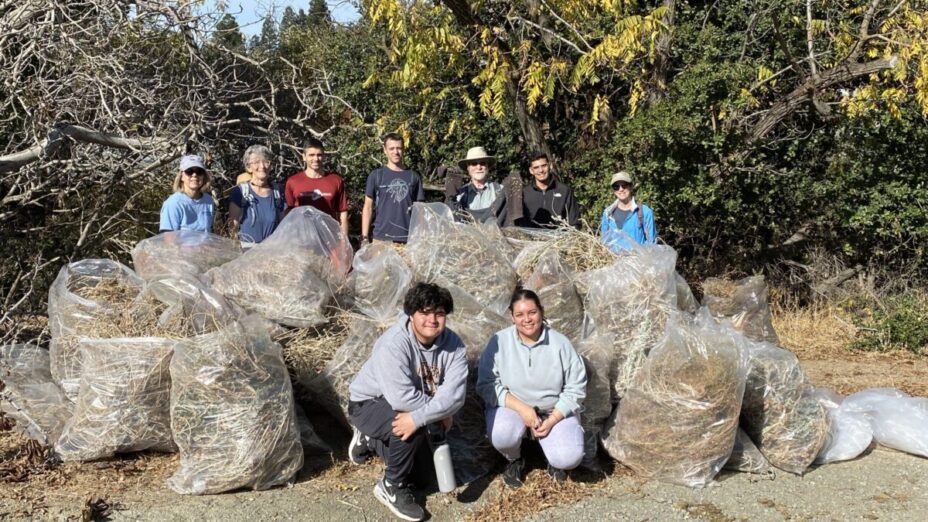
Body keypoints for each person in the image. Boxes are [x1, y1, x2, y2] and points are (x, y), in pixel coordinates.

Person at [347, 282, 467, 522]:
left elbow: (455, 395)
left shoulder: (454, 346)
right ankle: (391, 485)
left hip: (407, 405)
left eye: (439, 313)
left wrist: (434, 411)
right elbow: (401, 398)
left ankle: (370, 439)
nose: (432, 319)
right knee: (413, 425)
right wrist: (433, 414)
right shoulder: (394, 344)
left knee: (422, 479)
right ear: (411, 314)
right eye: (424, 312)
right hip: (369, 403)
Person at [477, 288, 587, 488]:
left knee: (568, 458)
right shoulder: (499, 342)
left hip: (552, 410)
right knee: (502, 433)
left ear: (541, 312)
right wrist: (522, 409)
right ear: (512, 317)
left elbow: (576, 387)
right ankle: (515, 459)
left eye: (532, 312)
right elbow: (486, 384)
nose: (526, 319)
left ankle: (553, 459)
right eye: (519, 314)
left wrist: (553, 419)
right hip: (513, 409)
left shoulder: (560, 343)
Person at [361, 133, 425, 243]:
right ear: (385, 150)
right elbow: (367, 207)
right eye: (391, 148)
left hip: (408, 240)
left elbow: (420, 211)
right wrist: (365, 237)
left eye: (399, 148)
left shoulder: (413, 177)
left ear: (403, 149)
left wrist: (421, 237)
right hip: (381, 239)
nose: (396, 152)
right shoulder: (376, 176)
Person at [284, 137, 350, 237]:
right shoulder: (293, 182)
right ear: (304, 157)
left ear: (324, 157)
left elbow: (343, 214)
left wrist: (343, 242)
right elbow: (288, 214)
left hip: (329, 238)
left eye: (319, 155)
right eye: (311, 155)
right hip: (302, 238)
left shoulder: (335, 180)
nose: (316, 159)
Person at [228, 145, 286, 245]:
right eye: (256, 162)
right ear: (248, 167)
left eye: (266, 161)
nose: (262, 166)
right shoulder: (239, 192)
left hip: (271, 251)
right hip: (247, 252)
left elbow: (284, 226)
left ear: (271, 166)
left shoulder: (278, 192)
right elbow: (233, 227)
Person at [515, 151, 580, 229]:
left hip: (559, 239)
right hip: (532, 240)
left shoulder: (564, 191)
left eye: (544, 166)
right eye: (536, 167)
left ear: (550, 166)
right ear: (531, 171)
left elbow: (575, 222)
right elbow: (519, 226)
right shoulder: (524, 194)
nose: (541, 170)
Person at [446, 146, 507, 226]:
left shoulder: (500, 191)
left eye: (482, 163)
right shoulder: (459, 195)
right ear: (468, 168)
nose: (479, 167)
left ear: (487, 166)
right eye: (474, 164)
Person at [599, 170, 657, 252]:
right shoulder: (607, 213)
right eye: (616, 186)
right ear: (613, 190)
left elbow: (652, 243)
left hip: (637, 263)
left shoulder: (644, 212)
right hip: (614, 263)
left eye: (624, 185)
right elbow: (603, 242)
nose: (621, 189)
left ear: (630, 187)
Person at [159, 154, 215, 232]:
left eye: (199, 171)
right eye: (189, 171)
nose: (194, 175)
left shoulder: (208, 200)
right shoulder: (173, 203)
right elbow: (169, 239)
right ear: (182, 176)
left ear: (204, 176)